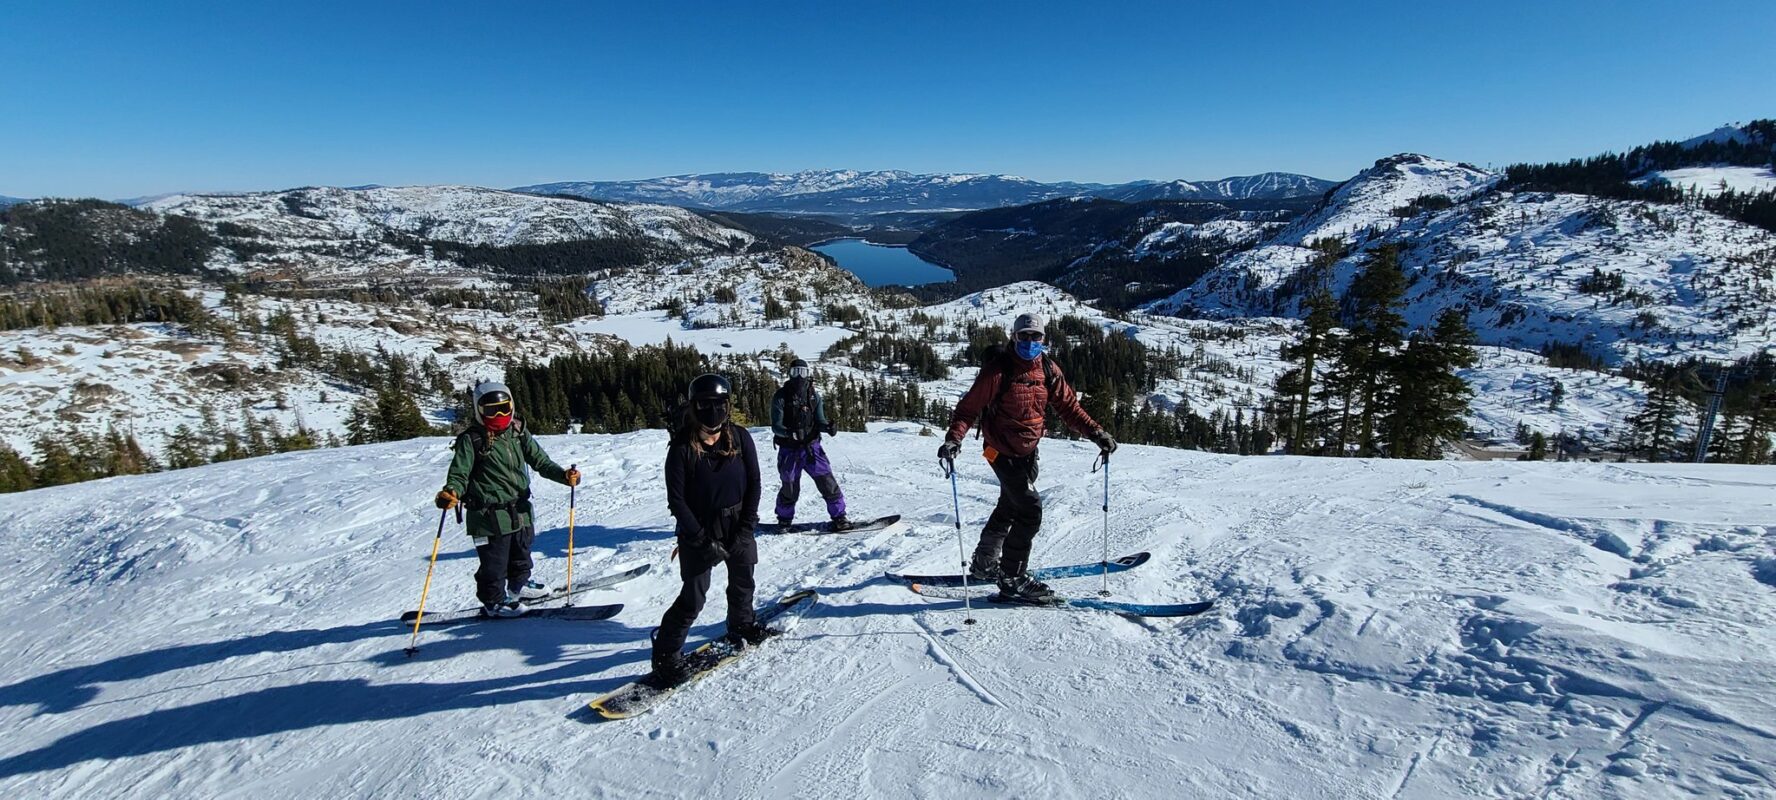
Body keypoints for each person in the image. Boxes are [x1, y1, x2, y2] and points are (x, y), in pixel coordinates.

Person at [937, 312, 1117, 601]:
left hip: (1028, 451)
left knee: (1010, 505)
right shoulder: (998, 371)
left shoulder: (1047, 369)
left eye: (1036, 337)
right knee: (1030, 510)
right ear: (1014, 336)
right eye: (1024, 336)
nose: (1030, 342)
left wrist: (1097, 433)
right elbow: (968, 408)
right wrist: (953, 439)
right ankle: (1012, 577)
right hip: (999, 450)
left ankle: (985, 563)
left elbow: (1069, 407)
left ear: (1044, 339)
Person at [647, 373, 776, 688]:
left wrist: (747, 526)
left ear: (728, 406)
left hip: (737, 523)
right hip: (698, 529)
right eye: (706, 404)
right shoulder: (681, 448)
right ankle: (666, 656)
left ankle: (742, 624)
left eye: (719, 404)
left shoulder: (740, 437)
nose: (713, 410)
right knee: (693, 598)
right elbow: (676, 500)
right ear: (694, 406)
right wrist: (701, 540)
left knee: (743, 579)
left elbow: (755, 483)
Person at [435, 381, 580, 617]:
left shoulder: (517, 431)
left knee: (521, 553)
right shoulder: (472, 440)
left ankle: (518, 586)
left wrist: (564, 476)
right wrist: (451, 492)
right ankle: (493, 601)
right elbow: (459, 474)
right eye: (492, 410)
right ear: (479, 411)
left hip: (520, 509)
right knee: (494, 562)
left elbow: (540, 461)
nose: (500, 414)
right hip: (488, 515)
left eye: (504, 408)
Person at [770, 358, 851, 532]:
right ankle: (784, 519)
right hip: (789, 450)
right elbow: (776, 426)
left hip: (812, 448)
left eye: (803, 372)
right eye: (795, 372)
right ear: (790, 374)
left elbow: (819, 420)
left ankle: (839, 517)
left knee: (827, 482)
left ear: (808, 374)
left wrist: (827, 427)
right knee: (789, 487)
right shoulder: (781, 397)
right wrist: (789, 433)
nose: (800, 377)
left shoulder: (813, 396)